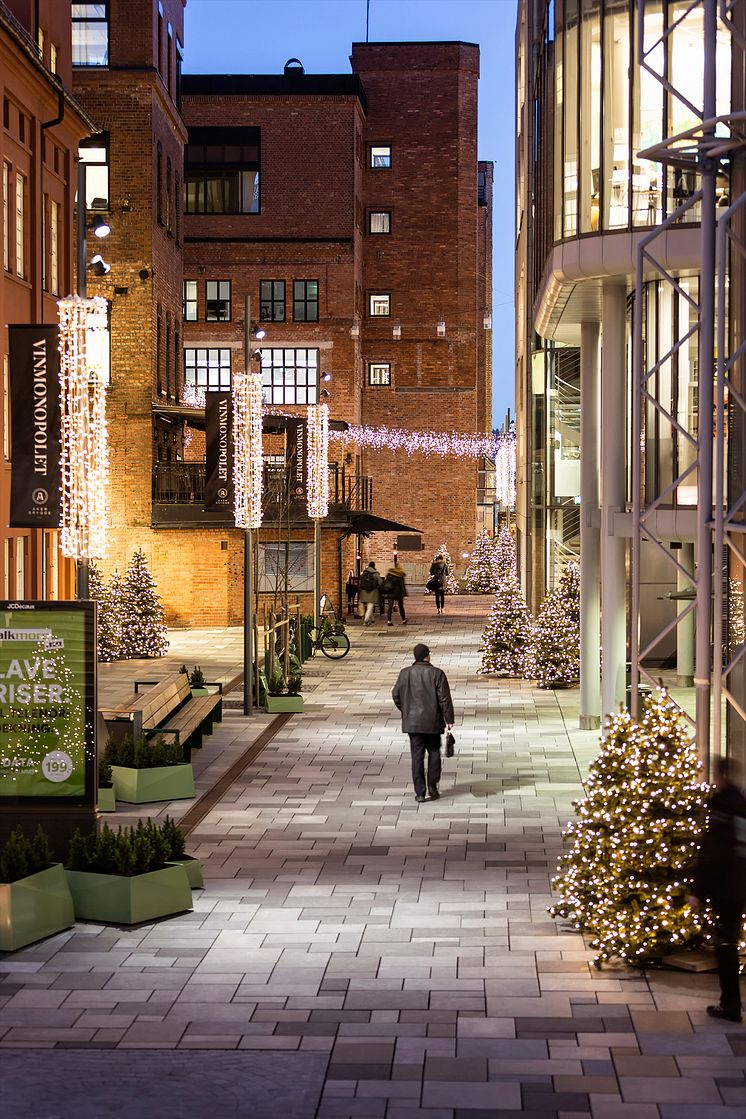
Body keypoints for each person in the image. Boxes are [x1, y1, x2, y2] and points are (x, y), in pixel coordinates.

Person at [690, 756, 746, 1023]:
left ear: (719, 776)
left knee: (725, 945)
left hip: (727, 890)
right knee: (729, 942)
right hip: (739, 886)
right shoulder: (741, 805)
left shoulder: (721, 809)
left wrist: (697, 891)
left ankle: (730, 1004)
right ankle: (731, 1002)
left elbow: (712, 855)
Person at [392, 643, 455, 802]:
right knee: (434, 752)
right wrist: (449, 719)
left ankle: (420, 792)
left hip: (413, 723)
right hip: (432, 721)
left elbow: (396, 695)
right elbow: (444, 699)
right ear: (427, 656)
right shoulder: (437, 674)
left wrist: (406, 710)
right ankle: (432, 785)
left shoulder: (405, 673)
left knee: (417, 756)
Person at [384, 559, 408, 625]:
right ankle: (403, 619)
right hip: (398, 593)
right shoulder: (400, 574)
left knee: (390, 607)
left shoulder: (389, 574)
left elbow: (386, 582)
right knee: (401, 606)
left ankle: (389, 621)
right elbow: (402, 585)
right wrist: (404, 593)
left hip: (390, 592)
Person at [358, 562, 381, 626]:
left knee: (367, 606)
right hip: (372, 592)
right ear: (374, 566)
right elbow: (380, 582)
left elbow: (360, 582)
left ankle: (372, 619)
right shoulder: (375, 573)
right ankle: (366, 620)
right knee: (370, 607)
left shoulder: (364, 573)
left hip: (363, 591)